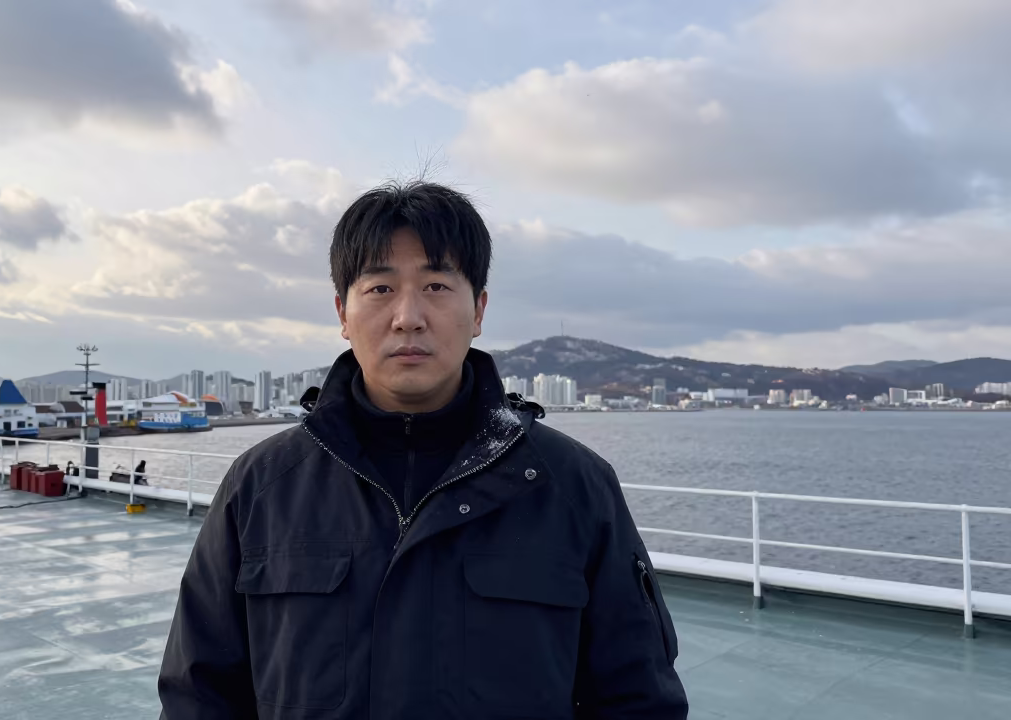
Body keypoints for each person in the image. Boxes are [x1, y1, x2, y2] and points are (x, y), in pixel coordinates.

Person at [158, 181, 687, 719]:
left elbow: (637, 698)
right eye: (380, 288)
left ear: (478, 310)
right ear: (343, 313)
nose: (408, 316)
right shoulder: (262, 484)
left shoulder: (572, 484)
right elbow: (198, 695)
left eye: (436, 285)